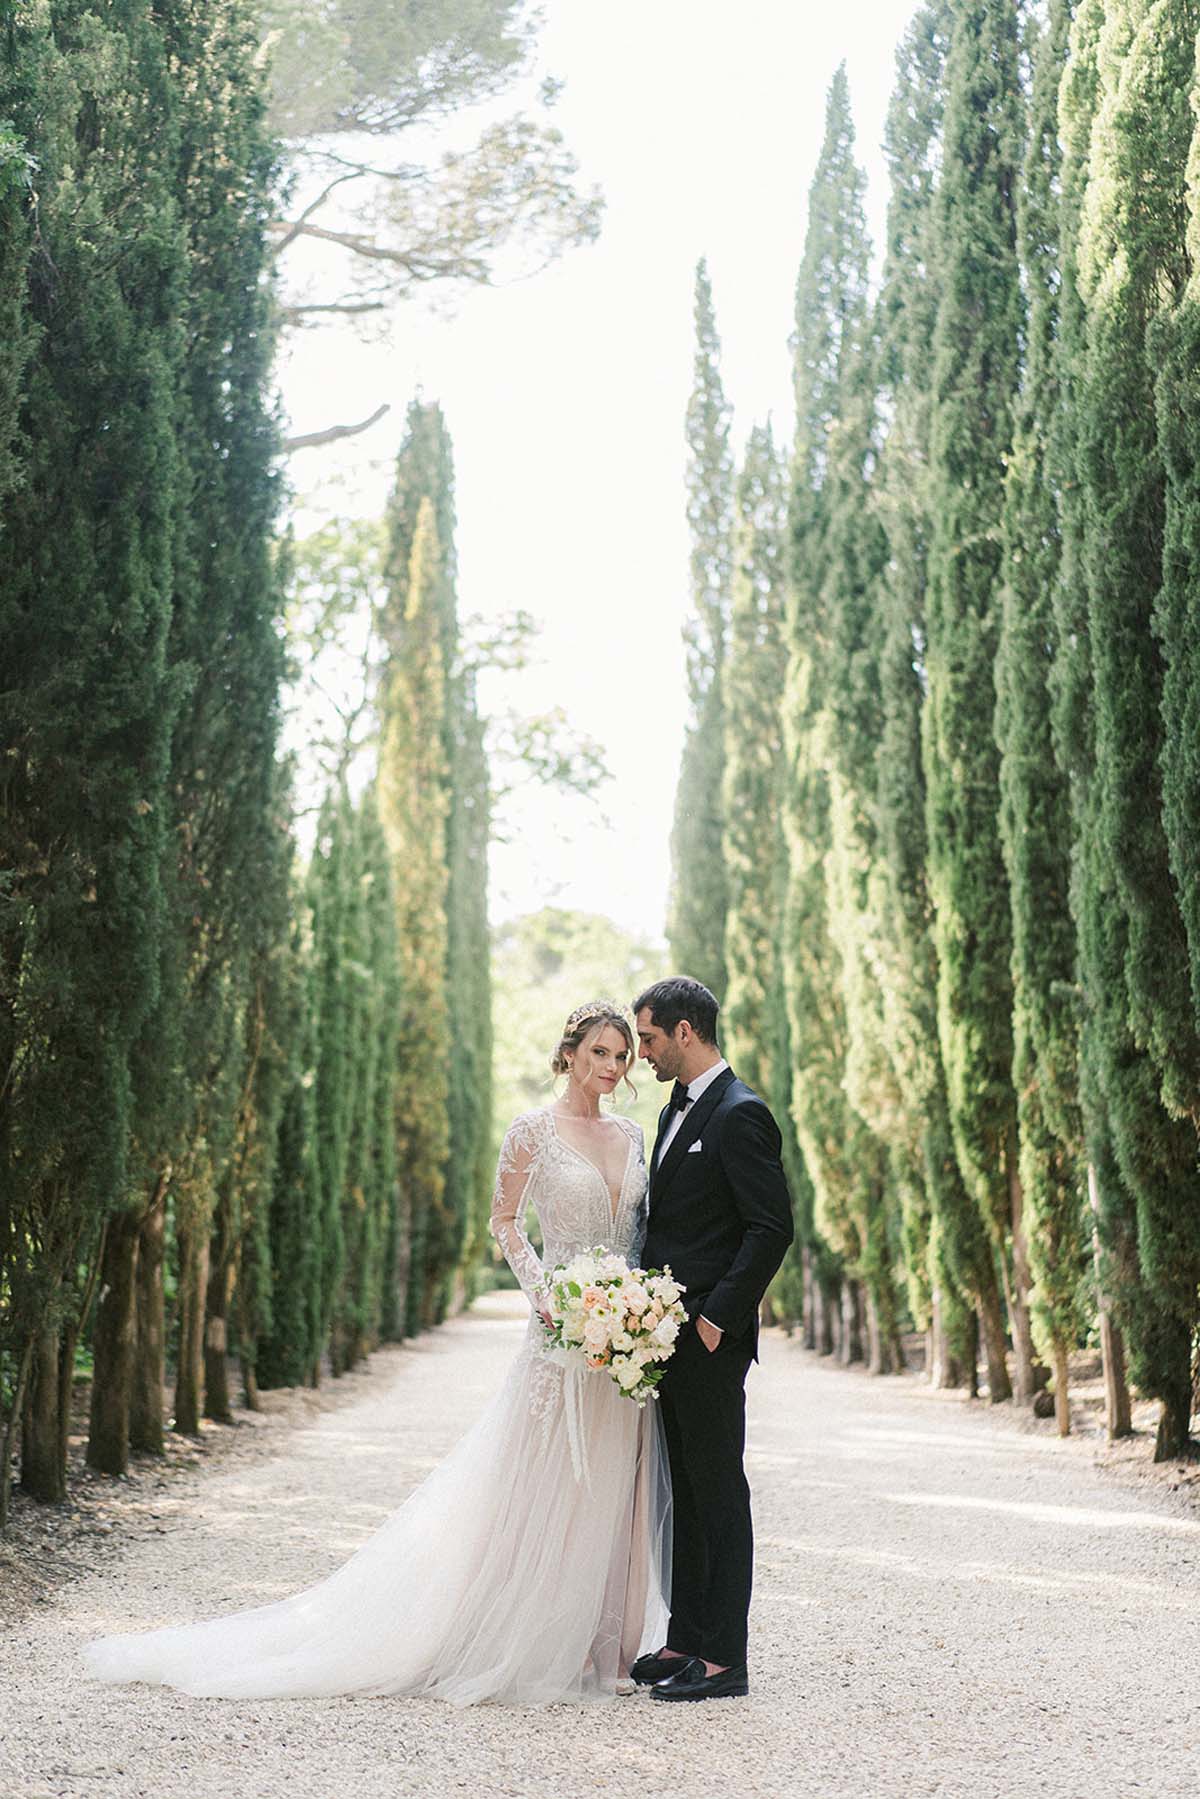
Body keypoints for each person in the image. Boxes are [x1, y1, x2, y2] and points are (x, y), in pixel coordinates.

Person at [80, 1000, 670, 1706]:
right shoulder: (531, 1132)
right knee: (542, 1487)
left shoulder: (634, 1135)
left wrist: (637, 1310)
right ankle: (513, 1634)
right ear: (570, 1052)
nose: (612, 1066)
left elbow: (637, 1235)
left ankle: (606, 1651)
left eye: (622, 1055)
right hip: (559, 1339)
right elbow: (505, 1222)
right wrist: (545, 1295)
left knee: (611, 1490)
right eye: (600, 1051)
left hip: (622, 1344)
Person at [629, 975, 793, 1703]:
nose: (645, 1053)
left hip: (709, 1340)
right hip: (664, 1339)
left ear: (686, 1031)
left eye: (650, 1038)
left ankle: (727, 1658)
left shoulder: (741, 1112)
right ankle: (684, 1637)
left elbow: (771, 1227)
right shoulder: (675, 1109)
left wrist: (714, 1318)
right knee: (684, 1493)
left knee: (720, 1492)